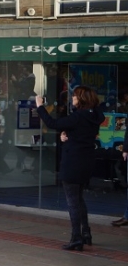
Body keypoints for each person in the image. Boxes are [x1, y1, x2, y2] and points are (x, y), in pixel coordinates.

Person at [36, 86, 104, 250]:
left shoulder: (78, 116)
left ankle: (76, 237)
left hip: (73, 162)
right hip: (86, 161)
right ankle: (86, 232)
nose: (72, 99)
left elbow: (53, 123)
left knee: (72, 201)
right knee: (79, 199)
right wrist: (67, 135)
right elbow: (81, 134)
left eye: (74, 96)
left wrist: (40, 106)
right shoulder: (95, 116)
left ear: (81, 99)